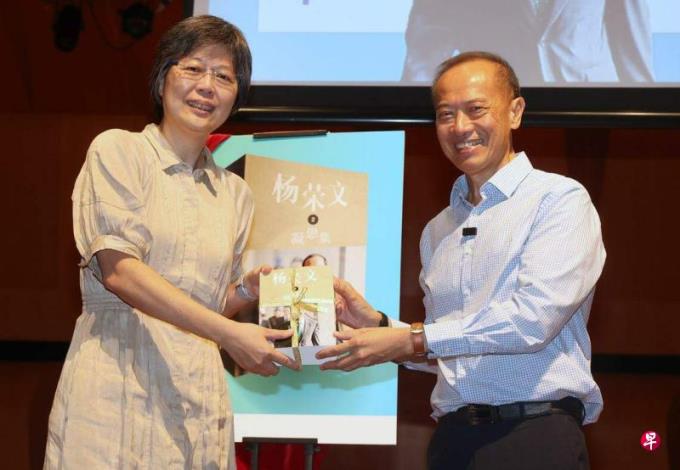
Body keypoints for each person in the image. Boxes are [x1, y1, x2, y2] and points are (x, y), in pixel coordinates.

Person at [319, 51, 605, 469]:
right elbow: (452, 351)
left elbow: (532, 320)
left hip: (533, 437)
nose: (460, 127)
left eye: (476, 110)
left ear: (515, 112)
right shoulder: (439, 229)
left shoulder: (558, 200)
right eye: (445, 115)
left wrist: (413, 339)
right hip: (453, 442)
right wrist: (379, 326)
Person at [44, 15, 298, 469]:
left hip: (194, 393)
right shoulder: (118, 151)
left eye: (224, 77)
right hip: (117, 381)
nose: (207, 87)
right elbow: (120, 272)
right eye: (193, 68)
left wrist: (245, 290)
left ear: (237, 96)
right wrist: (230, 335)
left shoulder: (236, 194)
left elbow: (205, 303)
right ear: (163, 78)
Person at [401, 0, 654, 84]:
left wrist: (645, 110)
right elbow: (428, 41)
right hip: (497, 108)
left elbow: (631, 37)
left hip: (588, 108)